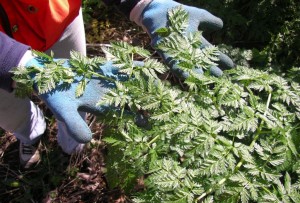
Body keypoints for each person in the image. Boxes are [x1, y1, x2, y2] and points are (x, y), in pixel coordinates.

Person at [0, 0, 234, 168]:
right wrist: (12, 58)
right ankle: (29, 132)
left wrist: (142, 3)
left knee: (74, 93)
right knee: (9, 111)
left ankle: (71, 144)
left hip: (56, 17)